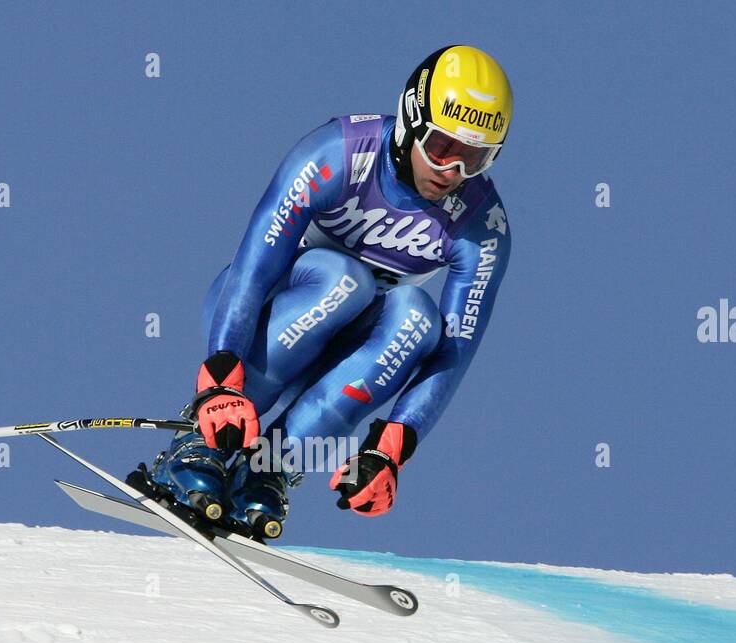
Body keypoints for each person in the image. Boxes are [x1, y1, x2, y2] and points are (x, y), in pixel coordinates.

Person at [140, 45, 512, 541]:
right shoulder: (338, 154)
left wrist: (390, 451)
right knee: (347, 282)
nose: (452, 173)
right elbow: (252, 271)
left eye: (475, 159)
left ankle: (272, 468)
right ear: (409, 120)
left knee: (418, 318)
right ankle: (201, 447)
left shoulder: (482, 227)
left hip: (343, 356)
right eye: (443, 147)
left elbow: (455, 355)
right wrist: (220, 380)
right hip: (258, 319)